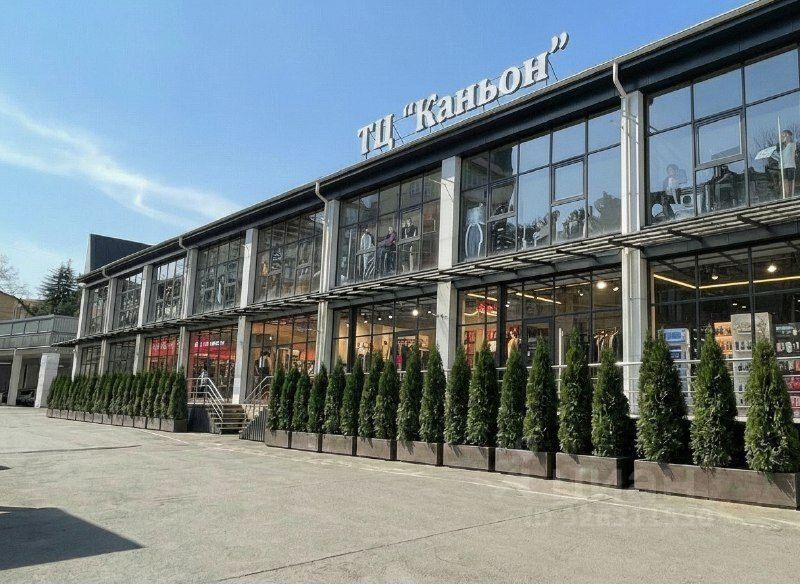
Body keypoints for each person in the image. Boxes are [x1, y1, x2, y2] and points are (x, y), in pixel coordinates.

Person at [779, 129, 797, 198]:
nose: (785, 137)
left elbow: (793, 153)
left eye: (786, 135)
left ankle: (791, 196)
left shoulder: (792, 145)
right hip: (783, 167)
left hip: (790, 166)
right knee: (785, 182)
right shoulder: (781, 147)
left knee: (790, 182)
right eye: (784, 135)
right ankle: (786, 196)